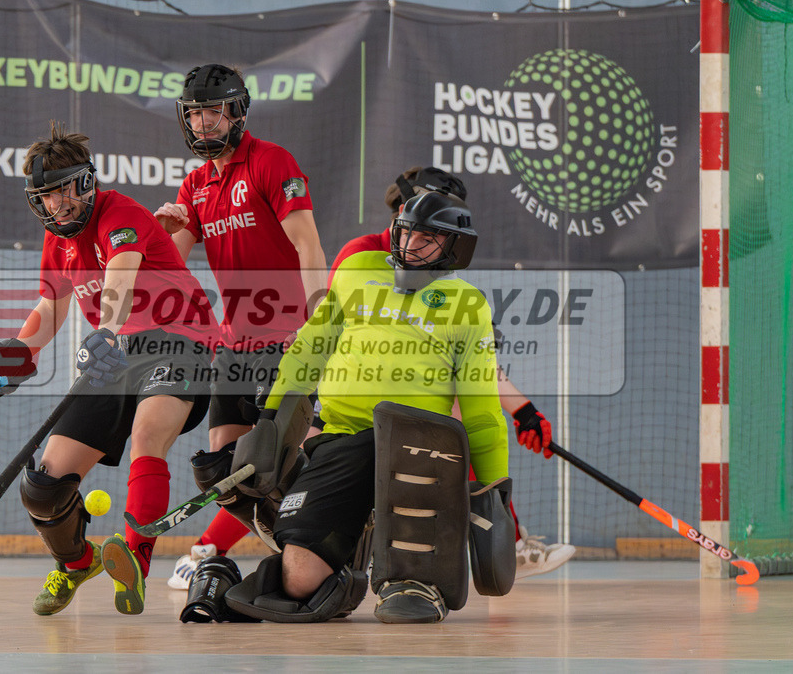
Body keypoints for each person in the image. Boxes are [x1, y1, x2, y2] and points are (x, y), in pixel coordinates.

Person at [204, 189, 513, 624]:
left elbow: (481, 411)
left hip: (418, 444)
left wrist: (494, 492)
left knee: (409, 595)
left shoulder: (469, 306)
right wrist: (270, 423)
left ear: (454, 248)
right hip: (343, 436)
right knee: (296, 582)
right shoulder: (354, 271)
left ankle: (414, 581)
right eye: (405, 235)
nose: (410, 247)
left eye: (427, 239)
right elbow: (308, 351)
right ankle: (347, 559)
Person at [0, 121, 219, 617]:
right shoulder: (56, 238)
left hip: (177, 340)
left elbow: (120, 277)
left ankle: (136, 564)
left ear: (84, 183)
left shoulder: (119, 212)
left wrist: (106, 329)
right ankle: (77, 561)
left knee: (148, 436)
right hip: (116, 351)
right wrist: (20, 354)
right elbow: (51, 306)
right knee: (44, 483)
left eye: (62, 192)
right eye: (45, 197)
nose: (56, 206)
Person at [331, 166, 576, 578]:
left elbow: (469, 365)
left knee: (467, 424)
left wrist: (523, 410)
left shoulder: (436, 270)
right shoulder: (362, 256)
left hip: (405, 404)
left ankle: (506, 539)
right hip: (353, 402)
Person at [154, 63, 328, 588]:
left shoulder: (273, 163)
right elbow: (174, 266)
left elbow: (308, 244)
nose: (202, 123)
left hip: (289, 339)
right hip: (236, 344)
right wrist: (160, 240)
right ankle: (271, 544)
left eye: (212, 112)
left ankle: (316, 546)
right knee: (224, 470)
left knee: (284, 459)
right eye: (194, 114)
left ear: (238, 112)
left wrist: (317, 316)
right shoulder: (196, 185)